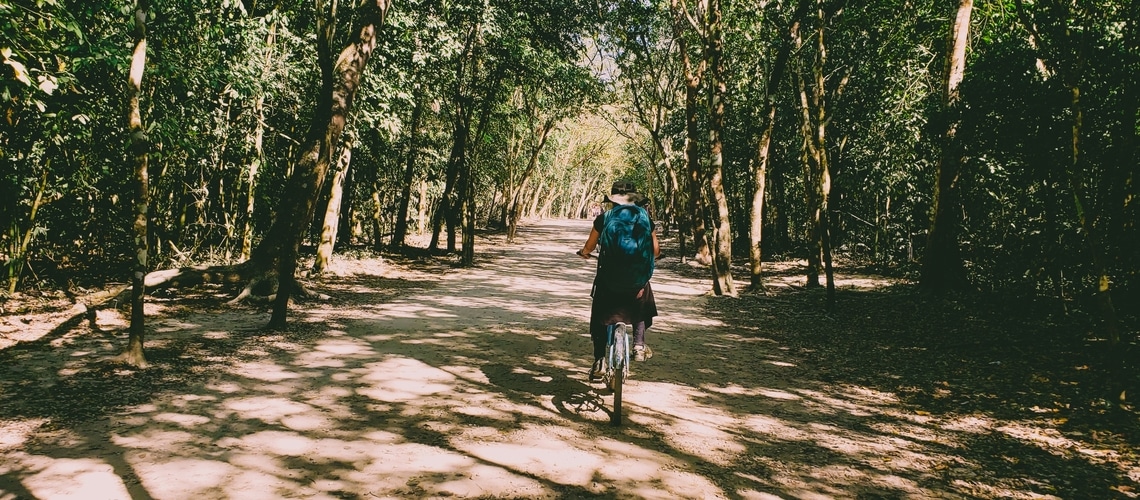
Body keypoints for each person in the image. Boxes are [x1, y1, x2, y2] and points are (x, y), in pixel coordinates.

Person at [577, 181, 660, 382]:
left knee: (599, 311)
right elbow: (656, 251)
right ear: (634, 197)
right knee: (642, 292)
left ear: (612, 199)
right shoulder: (645, 218)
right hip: (636, 280)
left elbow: (589, 246)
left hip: (608, 280)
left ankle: (599, 360)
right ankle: (639, 345)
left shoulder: (604, 218)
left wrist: (584, 253)